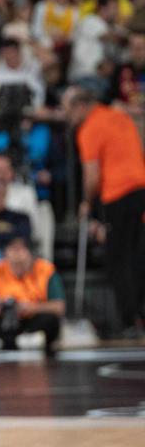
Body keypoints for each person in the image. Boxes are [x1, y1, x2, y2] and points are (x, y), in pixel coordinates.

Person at [65, 87, 145, 337]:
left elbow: (92, 175)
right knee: (139, 256)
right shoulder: (119, 116)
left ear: (80, 106)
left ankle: (130, 321)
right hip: (142, 190)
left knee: (117, 260)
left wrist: (87, 202)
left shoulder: (89, 128)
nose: (67, 117)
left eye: (68, 110)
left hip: (118, 195)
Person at [0, 235, 65, 353]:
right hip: (4, 321)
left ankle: (10, 340)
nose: (17, 268)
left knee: (50, 320)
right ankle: (7, 340)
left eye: (21, 264)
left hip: (31, 320)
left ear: (31, 256)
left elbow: (59, 306)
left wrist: (33, 308)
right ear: (6, 255)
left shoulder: (46, 270)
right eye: (13, 265)